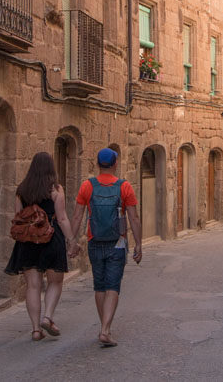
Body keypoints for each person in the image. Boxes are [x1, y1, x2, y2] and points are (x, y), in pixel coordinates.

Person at [69, 147, 142, 347]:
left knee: (99, 285)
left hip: (94, 241)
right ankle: (105, 329)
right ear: (115, 164)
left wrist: (71, 240)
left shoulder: (87, 186)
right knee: (113, 286)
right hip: (117, 243)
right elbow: (133, 218)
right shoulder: (124, 186)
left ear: (97, 164)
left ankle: (104, 327)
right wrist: (138, 244)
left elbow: (77, 216)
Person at [4, 152, 76, 341]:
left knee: (33, 286)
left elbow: (18, 216)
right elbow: (61, 218)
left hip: (28, 242)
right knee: (55, 281)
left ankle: (36, 329)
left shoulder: (22, 190)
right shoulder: (56, 189)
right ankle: (48, 317)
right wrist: (71, 241)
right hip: (51, 240)